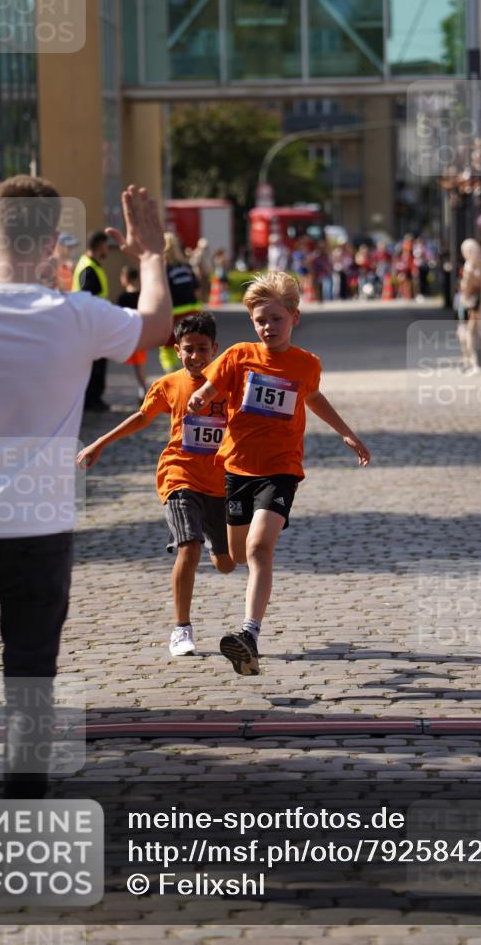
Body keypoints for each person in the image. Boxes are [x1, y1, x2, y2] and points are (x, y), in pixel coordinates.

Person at [0, 178, 172, 795]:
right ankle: (23, 810)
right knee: (31, 679)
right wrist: (149, 257)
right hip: (38, 530)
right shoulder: (77, 316)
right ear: (52, 243)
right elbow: (155, 326)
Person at [187, 272, 371, 677]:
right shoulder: (238, 355)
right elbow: (210, 388)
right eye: (260, 320)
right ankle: (246, 622)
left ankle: (249, 635)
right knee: (237, 556)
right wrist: (201, 397)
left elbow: (314, 396)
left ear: (295, 318)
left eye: (276, 319)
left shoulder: (306, 364)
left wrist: (346, 433)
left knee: (258, 549)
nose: (268, 327)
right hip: (237, 467)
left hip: (282, 469)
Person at [77, 312, 235, 657]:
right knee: (188, 547)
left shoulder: (229, 383)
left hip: (220, 482)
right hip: (179, 475)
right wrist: (100, 442)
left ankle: (212, 541)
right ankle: (182, 629)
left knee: (227, 563)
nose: (196, 357)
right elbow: (141, 417)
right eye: (189, 349)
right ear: (178, 350)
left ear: (215, 350)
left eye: (203, 349)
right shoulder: (169, 385)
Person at [72, 230, 112, 411]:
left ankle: (94, 399)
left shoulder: (91, 265)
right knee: (95, 364)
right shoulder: (88, 268)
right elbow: (86, 298)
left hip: (95, 323)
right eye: (106, 247)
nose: (108, 251)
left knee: (97, 363)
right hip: (91, 325)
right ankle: (92, 400)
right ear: (99, 246)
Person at [160, 231, 201, 374]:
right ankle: (191, 374)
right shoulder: (186, 266)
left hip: (173, 314)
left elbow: (161, 294)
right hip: (192, 312)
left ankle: (172, 377)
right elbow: (197, 290)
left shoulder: (163, 269)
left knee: (167, 350)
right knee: (190, 346)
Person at [457, 239, 481, 375]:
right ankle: (473, 362)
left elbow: (466, 287)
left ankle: (473, 363)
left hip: (470, 303)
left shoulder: (470, 266)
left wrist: (465, 287)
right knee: (474, 333)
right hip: (478, 302)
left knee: (468, 333)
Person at [117, 264, 149, 400]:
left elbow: (119, 316)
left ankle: (144, 390)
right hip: (140, 331)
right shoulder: (141, 295)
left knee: (138, 363)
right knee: (138, 363)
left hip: (131, 333)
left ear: (125, 278)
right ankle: (142, 389)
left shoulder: (123, 297)